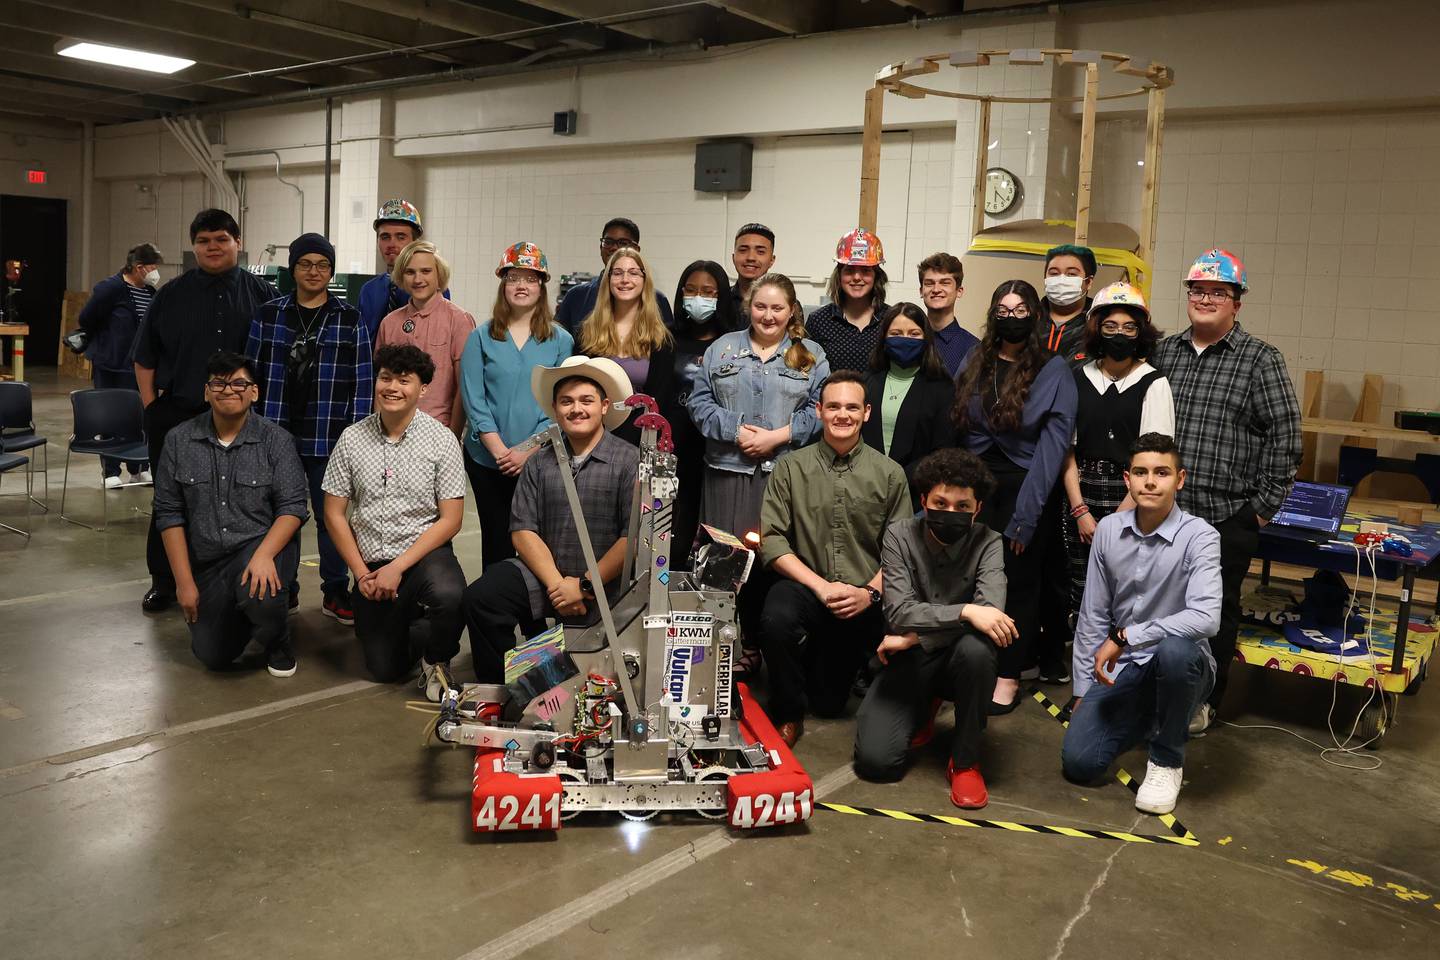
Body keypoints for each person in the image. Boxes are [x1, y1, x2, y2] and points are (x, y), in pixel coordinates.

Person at [1150, 250, 1301, 735]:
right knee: (1156, 604)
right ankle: (1154, 689)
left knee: (1213, 613)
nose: (1206, 299)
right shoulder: (1165, 353)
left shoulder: (1261, 359)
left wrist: (1260, 509)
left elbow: (1286, 437)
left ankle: (1202, 700)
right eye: (1198, 290)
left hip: (1224, 515)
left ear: (1237, 302)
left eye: (1218, 292)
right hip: (1162, 512)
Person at [1061, 433, 1221, 816]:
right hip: (1129, 668)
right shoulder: (1109, 532)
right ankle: (1162, 715)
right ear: (1127, 479)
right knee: (1080, 763)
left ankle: (1166, 758)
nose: (1151, 481)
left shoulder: (1200, 537)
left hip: (1183, 664)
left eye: (1162, 472)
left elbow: (1206, 618)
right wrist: (1083, 688)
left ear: (1179, 480)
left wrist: (1127, 636)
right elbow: (1093, 614)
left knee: (1176, 649)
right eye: (1141, 472)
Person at [133, 209, 280, 613]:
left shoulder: (264, 296)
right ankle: (164, 580)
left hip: (243, 418)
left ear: (237, 241)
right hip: (178, 412)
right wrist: (152, 408)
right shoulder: (170, 295)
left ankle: (238, 573)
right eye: (203, 241)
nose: (212, 247)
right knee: (170, 499)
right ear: (194, 246)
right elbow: (144, 357)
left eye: (220, 239)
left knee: (244, 496)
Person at [853, 448, 1016, 809]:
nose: (950, 513)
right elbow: (898, 611)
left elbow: (991, 616)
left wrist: (916, 636)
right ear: (924, 500)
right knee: (876, 763)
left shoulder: (989, 542)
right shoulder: (899, 535)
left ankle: (965, 762)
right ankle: (926, 704)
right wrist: (967, 612)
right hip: (910, 662)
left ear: (977, 509)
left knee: (978, 651)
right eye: (941, 502)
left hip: (938, 652)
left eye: (962, 506)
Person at [461, 357, 639, 683]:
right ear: (555, 410)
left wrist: (583, 585)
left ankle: (542, 677)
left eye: (586, 401)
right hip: (548, 579)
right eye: (566, 402)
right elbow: (522, 530)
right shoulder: (540, 462)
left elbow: (632, 538)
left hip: (604, 588)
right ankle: (502, 690)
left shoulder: (629, 461)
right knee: (482, 598)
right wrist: (558, 584)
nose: (576, 409)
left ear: (604, 406)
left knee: (585, 675)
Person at [758, 370, 911, 747]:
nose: (843, 415)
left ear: (867, 413)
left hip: (864, 598)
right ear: (820, 410)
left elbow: (902, 549)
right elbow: (772, 540)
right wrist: (820, 586)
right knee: (776, 615)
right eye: (834, 406)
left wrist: (869, 594)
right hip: (809, 587)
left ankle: (837, 665)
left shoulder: (890, 474)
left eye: (852, 407)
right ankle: (787, 713)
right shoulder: (790, 467)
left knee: (828, 703)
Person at [688, 273, 830, 676]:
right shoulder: (722, 349)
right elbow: (699, 404)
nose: (768, 315)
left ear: (791, 312)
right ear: (749, 306)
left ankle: (773, 646)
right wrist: (736, 430)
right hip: (727, 474)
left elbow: (821, 409)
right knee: (725, 563)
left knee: (778, 562)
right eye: (760, 306)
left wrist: (778, 437)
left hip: (785, 477)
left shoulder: (810, 354)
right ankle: (729, 648)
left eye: (777, 308)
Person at [953, 280, 1077, 712]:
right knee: (969, 579)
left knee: (1019, 583)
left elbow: (1053, 448)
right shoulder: (976, 358)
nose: (1011, 317)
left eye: (1020, 310)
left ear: (1035, 316)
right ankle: (970, 666)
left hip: (1027, 487)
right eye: (1002, 310)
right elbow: (962, 426)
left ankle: (1008, 674)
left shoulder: (1053, 369)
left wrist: (1026, 515)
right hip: (975, 485)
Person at [322, 345, 468, 700]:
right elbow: (333, 513)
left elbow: (451, 519)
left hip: (423, 554)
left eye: (404, 380)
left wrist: (398, 567)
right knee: (385, 669)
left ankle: (437, 660)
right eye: (386, 378)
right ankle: (416, 625)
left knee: (451, 595)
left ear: (423, 389)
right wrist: (360, 574)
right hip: (371, 562)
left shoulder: (441, 439)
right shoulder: (352, 439)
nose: (392, 387)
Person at [152, 351, 308, 677]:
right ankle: (244, 618)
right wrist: (183, 583)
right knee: (213, 655)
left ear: (255, 392)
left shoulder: (275, 441)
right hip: (208, 559)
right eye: (219, 383)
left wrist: (265, 554)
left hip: (261, 546)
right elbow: (169, 513)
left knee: (261, 596)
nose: (229, 390)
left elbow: (293, 507)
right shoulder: (179, 440)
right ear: (206, 392)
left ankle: (276, 638)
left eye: (240, 383)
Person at [246, 233, 372, 623]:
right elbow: (248, 376)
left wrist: (354, 439)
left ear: (331, 271)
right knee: (282, 515)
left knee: (330, 517)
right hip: (275, 435)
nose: (314, 271)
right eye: (306, 264)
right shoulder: (269, 315)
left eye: (322, 265)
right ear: (293, 269)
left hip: (329, 438)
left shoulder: (349, 318)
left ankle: (335, 591)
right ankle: (285, 589)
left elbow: (363, 384)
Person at [1060, 282, 1173, 621]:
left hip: (1132, 497)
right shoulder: (1078, 376)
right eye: (1110, 326)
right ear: (1097, 329)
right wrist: (1080, 510)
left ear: (1141, 332)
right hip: (1079, 493)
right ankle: (1083, 667)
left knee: (1123, 593)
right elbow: (1066, 449)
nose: (1119, 334)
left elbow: (1155, 461)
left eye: (1129, 327)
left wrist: (1118, 520)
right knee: (1080, 595)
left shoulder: (1154, 382)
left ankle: (1119, 669)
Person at [459, 242, 574, 571]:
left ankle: (534, 621)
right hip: (487, 459)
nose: (521, 286)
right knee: (495, 541)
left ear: (542, 286)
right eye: (513, 278)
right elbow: (473, 398)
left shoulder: (560, 341)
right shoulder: (481, 337)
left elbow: (560, 404)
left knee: (535, 542)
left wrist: (528, 450)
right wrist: (498, 450)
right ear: (502, 285)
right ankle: (495, 619)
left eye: (530, 279)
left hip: (540, 459)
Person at [669, 260, 741, 564]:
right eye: (692, 290)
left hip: (717, 451)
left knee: (715, 538)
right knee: (674, 534)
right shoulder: (665, 339)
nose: (699, 297)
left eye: (708, 292)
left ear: (721, 296)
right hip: (672, 450)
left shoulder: (735, 342)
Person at [78, 242, 162, 487]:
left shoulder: (150, 292)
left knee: (142, 416)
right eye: (152, 266)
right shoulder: (111, 288)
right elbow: (87, 318)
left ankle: (140, 467)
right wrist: (107, 341)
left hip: (142, 365)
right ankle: (111, 470)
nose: (156, 272)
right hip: (112, 364)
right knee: (111, 417)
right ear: (138, 267)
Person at [575, 245, 674, 446]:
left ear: (644, 281)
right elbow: (577, 390)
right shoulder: (587, 332)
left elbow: (659, 402)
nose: (625, 280)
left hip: (639, 439)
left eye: (634, 273)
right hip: (591, 438)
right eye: (617, 273)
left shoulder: (660, 339)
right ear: (608, 280)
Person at [375, 240, 475, 434]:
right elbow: (381, 382)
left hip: (438, 430)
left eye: (426, 271)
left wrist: (451, 436)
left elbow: (463, 389)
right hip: (393, 429)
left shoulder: (459, 320)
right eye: (410, 272)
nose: (417, 279)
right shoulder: (390, 322)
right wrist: (379, 432)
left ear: (439, 275)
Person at [861, 302, 956, 498]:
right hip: (864, 488)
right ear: (884, 338)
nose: (905, 339)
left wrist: (899, 480)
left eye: (914, 334)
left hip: (916, 492)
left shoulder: (942, 387)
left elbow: (942, 451)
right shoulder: (867, 382)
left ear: (926, 338)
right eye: (896, 333)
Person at [555, 217, 673, 336]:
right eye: (608, 242)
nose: (614, 248)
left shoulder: (657, 300)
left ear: (636, 250)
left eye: (623, 243)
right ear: (601, 247)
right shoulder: (576, 296)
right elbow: (558, 343)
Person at [357, 199, 450, 340]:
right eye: (385, 237)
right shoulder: (368, 291)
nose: (392, 244)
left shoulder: (431, 287)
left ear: (415, 242)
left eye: (401, 237)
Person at [806, 228, 889, 373]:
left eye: (865, 270)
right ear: (839, 275)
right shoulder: (818, 321)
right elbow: (807, 373)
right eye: (849, 270)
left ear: (876, 276)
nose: (857, 277)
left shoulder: (891, 318)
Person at [916, 251, 980, 378]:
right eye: (929, 283)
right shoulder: (908, 340)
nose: (936, 289)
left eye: (945, 283)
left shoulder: (974, 349)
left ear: (959, 291)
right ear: (921, 291)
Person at [1040, 244, 1097, 364]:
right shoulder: (1030, 318)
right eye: (1054, 273)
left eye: (1071, 274)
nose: (1061, 279)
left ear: (1088, 282)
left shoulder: (1098, 324)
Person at [730, 223, 776, 305]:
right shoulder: (719, 299)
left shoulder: (785, 302)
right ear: (733, 257)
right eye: (743, 250)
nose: (751, 258)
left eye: (760, 252)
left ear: (771, 260)